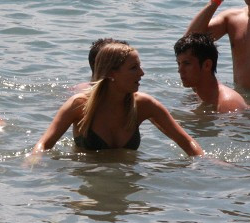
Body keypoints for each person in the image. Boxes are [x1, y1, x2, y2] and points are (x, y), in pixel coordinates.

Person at [32, 42, 203, 156]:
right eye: (134, 68)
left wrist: (207, 167)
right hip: (88, 176)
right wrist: (33, 166)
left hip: (128, 182)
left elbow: (188, 143)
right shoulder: (79, 104)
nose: (142, 73)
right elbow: (43, 146)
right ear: (112, 73)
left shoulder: (144, 104)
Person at [174, 34, 248, 113]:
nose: (180, 70)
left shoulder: (228, 103)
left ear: (207, 65)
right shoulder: (198, 96)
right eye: (179, 64)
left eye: (187, 63)